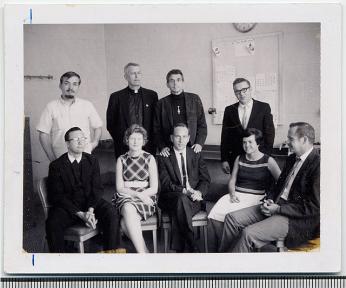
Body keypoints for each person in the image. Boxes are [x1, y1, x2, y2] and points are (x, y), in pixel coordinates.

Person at [219, 122, 320, 252]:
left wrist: (278, 209)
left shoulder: (318, 164)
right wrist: (269, 199)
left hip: (294, 219)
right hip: (276, 205)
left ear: (304, 140)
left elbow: (314, 207)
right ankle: (225, 260)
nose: (287, 142)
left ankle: (234, 268)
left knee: (248, 234)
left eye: (291, 139)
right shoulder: (291, 159)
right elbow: (277, 185)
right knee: (231, 219)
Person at [46, 127, 121, 252]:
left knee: (111, 213)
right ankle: (59, 263)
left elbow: (97, 189)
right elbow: (56, 196)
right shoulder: (56, 165)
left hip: (90, 204)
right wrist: (81, 214)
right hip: (68, 207)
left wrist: (90, 211)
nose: (81, 142)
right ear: (67, 144)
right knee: (52, 223)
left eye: (83, 138)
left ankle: (110, 256)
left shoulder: (92, 160)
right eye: (76, 139)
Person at [208, 128, 281, 251]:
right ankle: (227, 247)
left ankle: (230, 250)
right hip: (237, 195)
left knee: (231, 217)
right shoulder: (239, 158)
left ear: (258, 143)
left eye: (250, 142)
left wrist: (271, 198)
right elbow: (232, 180)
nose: (246, 145)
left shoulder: (268, 161)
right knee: (214, 214)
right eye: (244, 142)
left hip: (256, 197)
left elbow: (281, 182)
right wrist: (232, 194)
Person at [157, 123, 211, 252]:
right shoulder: (163, 157)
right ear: (171, 138)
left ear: (188, 138)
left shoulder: (196, 154)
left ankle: (182, 249)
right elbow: (166, 184)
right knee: (181, 199)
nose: (181, 140)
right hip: (171, 198)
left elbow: (205, 179)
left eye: (184, 136)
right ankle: (192, 245)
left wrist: (199, 192)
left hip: (194, 199)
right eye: (177, 136)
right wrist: (185, 191)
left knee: (181, 209)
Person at [37, 71, 103, 161]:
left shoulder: (87, 105)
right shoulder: (51, 106)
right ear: (60, 86)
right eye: (66, 83)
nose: (71, 87)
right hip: (60, 157)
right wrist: (52, 159)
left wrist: (94, 144)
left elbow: (98, 127)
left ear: (78, 86)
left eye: (75, 84)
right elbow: (43, 134)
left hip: (85, 157)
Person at [113, 124, 158, 253]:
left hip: (147, 196)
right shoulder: (121, 159)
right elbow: (120, 188)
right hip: (126, 196)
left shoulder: (149, 158)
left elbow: (154, 188)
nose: (135, 142)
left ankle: (143, 253)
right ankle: (144, 253)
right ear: (127, 140)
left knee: (124, 223)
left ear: (144, 141)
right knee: (127, 207)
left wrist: (143, 195)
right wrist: (138, 195)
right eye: (132, 138)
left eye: (139, 139)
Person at [220, 77, 275, 174]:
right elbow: (225, 137)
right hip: (236, 159)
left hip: (259, 158)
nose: (241, 94)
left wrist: (265, 157)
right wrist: (224, 159)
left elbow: (269, 134)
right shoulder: (229, 110)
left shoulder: (263, 107)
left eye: (244, 90)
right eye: (237, 91)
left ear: (250, 89)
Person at [106, 63, 158, 159]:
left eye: (139, 73)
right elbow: (111, 124)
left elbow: (156, 122)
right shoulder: (116, 97)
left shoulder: (152, 95)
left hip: (148, 147)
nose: (137, 76)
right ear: (126, 77)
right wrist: (125, 141)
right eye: (133, 73)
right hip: (124, 148)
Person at [154, 69, 207, 157]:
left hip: (192, 148)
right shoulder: (161, 103)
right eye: (172, 81)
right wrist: (162, 147)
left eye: (178, 80)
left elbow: (202, 125)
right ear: (167, 84)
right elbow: (156, 129)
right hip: (169, 150)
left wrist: (199, 143)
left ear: (183, 82)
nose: (175, 83)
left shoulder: (194, 99)